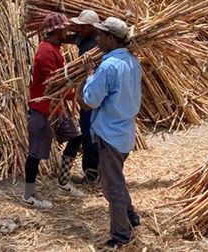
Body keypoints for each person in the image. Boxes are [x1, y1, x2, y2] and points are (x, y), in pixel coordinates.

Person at [80, 17, 142, 249]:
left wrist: (89, 75)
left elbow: (91, 100)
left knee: (111, 186)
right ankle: (132, 216)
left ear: (112, 39)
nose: (97, 38)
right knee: (117, 179)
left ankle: (120, 236)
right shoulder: (133, 62)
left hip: (110, 134)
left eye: (101, 35)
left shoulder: (107, 66)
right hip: (124, 132)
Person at [24, 12, 86, 209]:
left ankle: (63, 182)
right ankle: (29, 195)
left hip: (56, 109)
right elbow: (54, 85)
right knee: (35, 153)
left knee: (76, 137)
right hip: (42, 110)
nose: (68, 31)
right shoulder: (46, 52)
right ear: (57, 30)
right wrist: (74, 89)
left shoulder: (53, 48)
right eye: (65, 28)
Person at [65, 9, 101, 184]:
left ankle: (93, 174)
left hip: (96, 95)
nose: (79, 29)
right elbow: (68, 38)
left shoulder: (100, 44)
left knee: (91, 133)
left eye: (82, 27)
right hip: (87, 93)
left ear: (91, 27)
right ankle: (93, 173)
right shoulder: (84, 38)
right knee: (87, 132)